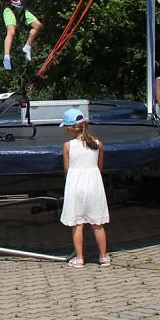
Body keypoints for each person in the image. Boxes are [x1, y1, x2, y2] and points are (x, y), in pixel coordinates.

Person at [59, 107, 111, 268]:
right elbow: (99, 167)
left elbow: (67, 169)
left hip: (76, 186)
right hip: (94, 185)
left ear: (69, 129)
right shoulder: (98, 144)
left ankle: (80, 258)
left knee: (77, 224)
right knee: (98, 224)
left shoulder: (68, 146)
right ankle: (104, 257)